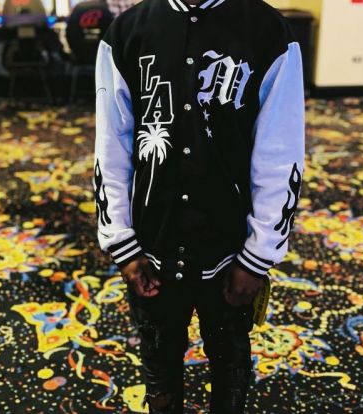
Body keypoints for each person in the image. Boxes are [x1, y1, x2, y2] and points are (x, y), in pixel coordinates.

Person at [93, 0, 305, 411]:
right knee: (159, 369)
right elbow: (111, 144)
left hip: (230, 248)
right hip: (153, 242)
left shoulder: (268, 32)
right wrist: (122, 243)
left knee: (231, 367)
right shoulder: (127, 33)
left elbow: (281, 152)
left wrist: (259, 256)